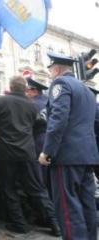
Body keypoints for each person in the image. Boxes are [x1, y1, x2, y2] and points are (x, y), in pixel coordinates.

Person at [39, 53, 99, 240]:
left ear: (56, 69)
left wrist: (47, 151)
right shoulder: (87, 90)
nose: (50, 74)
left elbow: (58, 119)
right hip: (86, 155)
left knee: (67, 208)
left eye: (50, 70)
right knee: (86, 204)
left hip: (66, 155)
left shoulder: (60, 84)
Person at [0, 76, 60, 236]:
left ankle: (19, 224)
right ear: (25, 88)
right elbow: (39, 125)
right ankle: (55, 224)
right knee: (37, 189)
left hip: (5, 153)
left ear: (10, 86)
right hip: (27, 152)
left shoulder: (0, 102)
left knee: (9, 189)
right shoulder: (32, 105)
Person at [24, 72, 50, 186]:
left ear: (34, 91)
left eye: (27, 91)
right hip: (50, 140)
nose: (26, 93)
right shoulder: (49, 102)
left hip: (38, 141)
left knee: (39, 172)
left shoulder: (32, 104)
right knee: (48, 169)